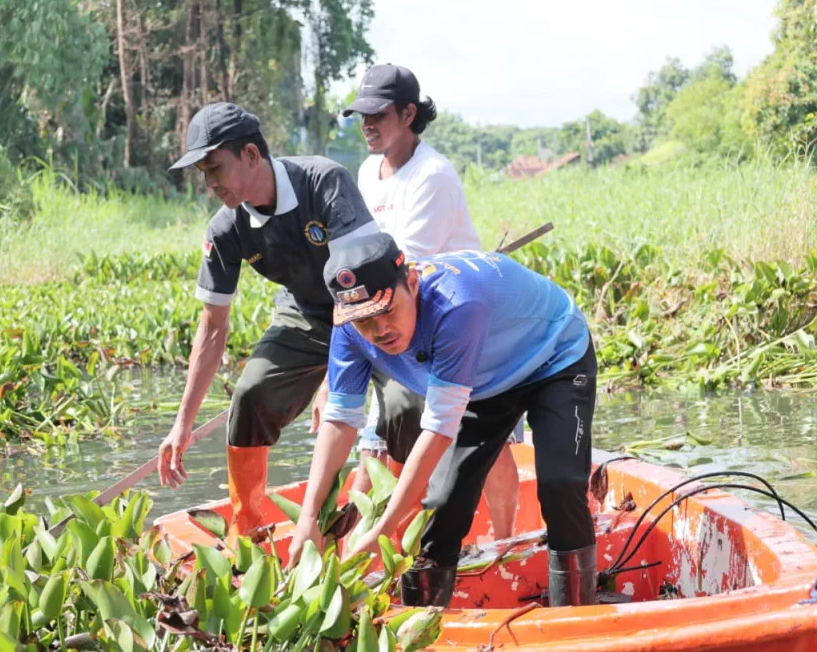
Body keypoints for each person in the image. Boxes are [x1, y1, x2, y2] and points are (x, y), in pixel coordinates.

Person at [290, 232, 598, 608]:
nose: (379, 331)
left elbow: (437, 430)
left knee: (560, 483)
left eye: (387, 311)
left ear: (413, 283)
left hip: (555, 357)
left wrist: (384, 529)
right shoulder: (351, 331)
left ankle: (576, 610)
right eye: (363, 321)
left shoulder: (457, 305)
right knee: (440, 504)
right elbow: (339, 421)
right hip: (483, 383)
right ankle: (422, 620)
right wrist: (307, 519)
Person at [158, 101, 405, 541]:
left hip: (375, 306)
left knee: (407, 409)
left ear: (251, 155)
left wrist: (336, 373)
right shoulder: (225, 230)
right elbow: (213, 328)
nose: (209, 183)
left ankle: (393, 528)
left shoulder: (323, 182)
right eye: (203, 174)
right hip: (307, 312)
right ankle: (249, 530)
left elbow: (359, 284)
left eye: (215, 168)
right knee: (251, 395)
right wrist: (182, 424)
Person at [333, 63, 520, 539]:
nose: (367, 125)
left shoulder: (432, 175)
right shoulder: (367, 172)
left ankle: (505, 539)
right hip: (397, 318)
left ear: (408, 113)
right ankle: (383, 541)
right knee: (376, 435)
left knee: (483, 430)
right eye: (361, 116)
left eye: (377, 114)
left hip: (455, 315)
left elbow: (402, 267)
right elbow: (364, 259)